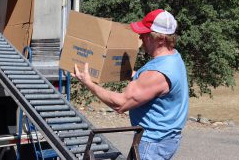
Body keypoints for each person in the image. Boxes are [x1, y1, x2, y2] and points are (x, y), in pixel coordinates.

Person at [72, 9, 189, 160]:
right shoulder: (173, 58)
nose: (140, 37)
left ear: (161, 39)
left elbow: (120, 104)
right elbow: (147, 84)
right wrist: (123, 71)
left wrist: (89, 83)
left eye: (145, 34)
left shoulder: (158, 73)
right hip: (166, 139)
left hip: (152, 143)